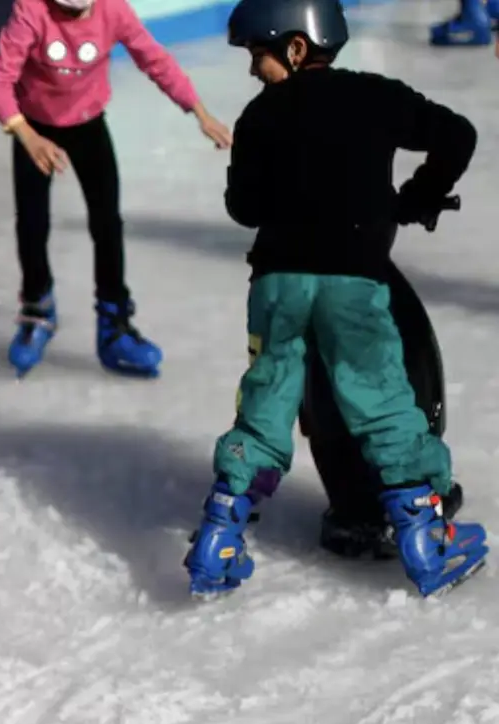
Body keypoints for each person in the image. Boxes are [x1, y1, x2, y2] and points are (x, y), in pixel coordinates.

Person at [183, 0, 487, 599]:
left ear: (296, 48)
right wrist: (418, 196)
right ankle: (427, 541)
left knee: (266, 404)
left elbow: (243, 208)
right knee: (379, 401)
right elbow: (458, 135)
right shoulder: (376, 96)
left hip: (277, 285)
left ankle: (217, 541)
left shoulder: (258, 117)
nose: (253, 70)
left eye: (257, 55)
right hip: (353, 281)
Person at [0, 0, 232, 379]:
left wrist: (198, 111)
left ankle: (113, 323)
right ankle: (37, 310)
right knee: (31, 224)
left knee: (107, 224)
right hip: (33, 127)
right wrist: (29, 138)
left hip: (88, 127)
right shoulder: (31, 11)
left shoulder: (113, 10)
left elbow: (154, 60)